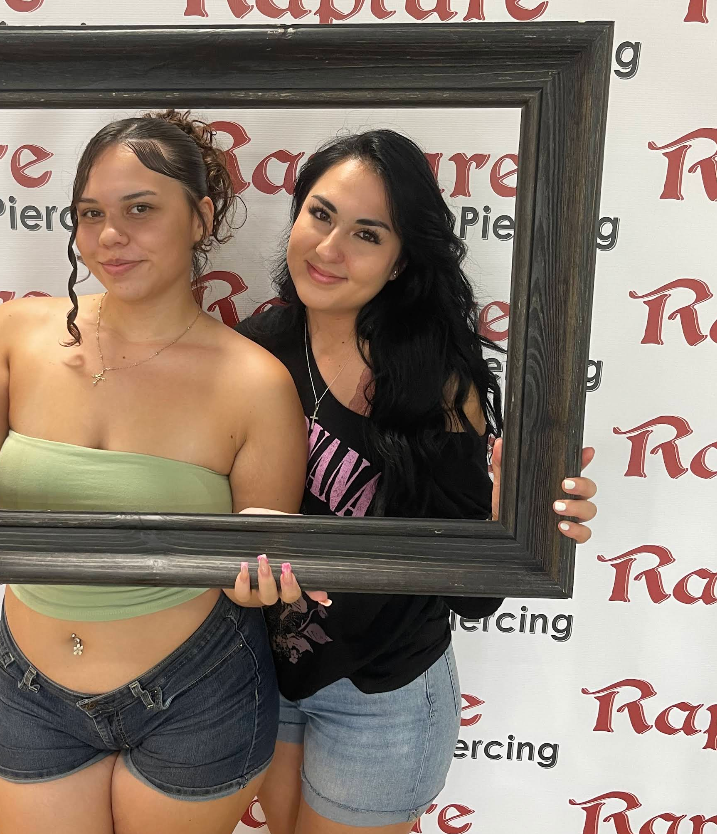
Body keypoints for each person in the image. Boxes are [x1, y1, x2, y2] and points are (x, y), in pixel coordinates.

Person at [0, 110, 320, 834]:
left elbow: (255, 568)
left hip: (195, 690)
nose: (111, 236)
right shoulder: (18, 333)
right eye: (91, 213)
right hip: (33, 688)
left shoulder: (255, 384)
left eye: (141, 209)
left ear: (201, 217)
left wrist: (272, 572)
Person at [233, 129, 598, 834]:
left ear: (402, 261)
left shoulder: (435, 378)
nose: (329, 247)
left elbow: (478, 592)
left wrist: (517, 525)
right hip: (270, 672)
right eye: (320, 214)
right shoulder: (254, 348)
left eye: (367, 233)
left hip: (384, 690)